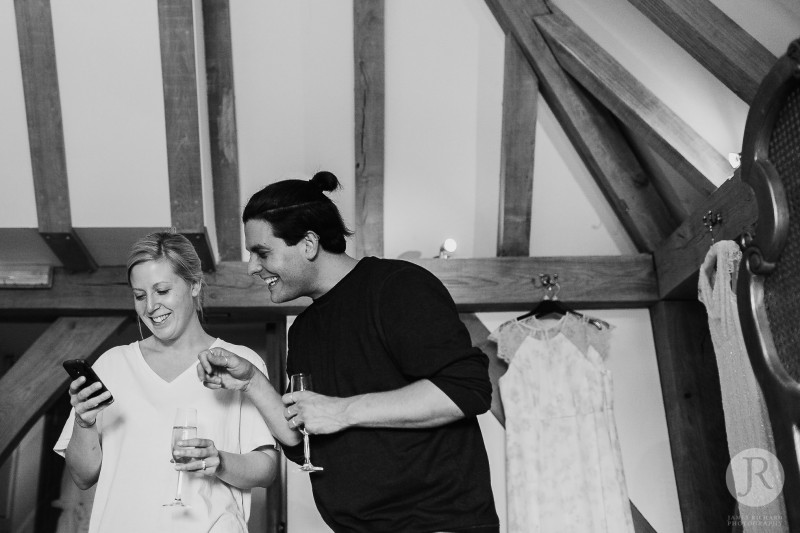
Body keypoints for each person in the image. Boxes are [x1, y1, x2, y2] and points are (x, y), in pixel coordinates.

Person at [197, 171, 500, 533]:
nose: (252, 268)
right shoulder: (305, 329)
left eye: (262, 253)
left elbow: (466, 388)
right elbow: (301, 441)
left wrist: (341, 411)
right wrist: (251, 382)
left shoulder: (398, 286)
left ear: (308, 244)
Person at [54, 231, 294, 533]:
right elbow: (83, 476)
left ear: (194, 285)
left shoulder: (238, 362)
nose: (151, 306)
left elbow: (266, 469)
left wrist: (218, 461)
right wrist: (84, 422)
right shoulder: (113, 365)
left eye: (162, 291)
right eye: (140, 295)